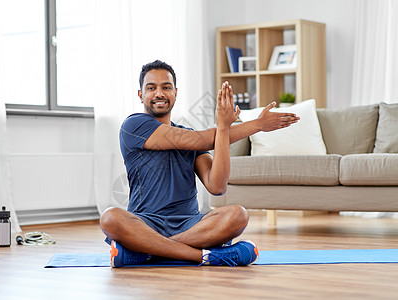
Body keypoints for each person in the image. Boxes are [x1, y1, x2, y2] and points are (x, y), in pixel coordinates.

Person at [100, 60, 299, 267]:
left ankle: (145, 252)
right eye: (151, 88)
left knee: (238, 215)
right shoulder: (133, 125)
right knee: (110, 218)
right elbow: (197, 140)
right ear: (141, 95)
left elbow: (217, 186)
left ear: (175, 92)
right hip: (145, 223)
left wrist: (223, 128)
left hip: (190, 225)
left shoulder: (190, 133)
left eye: (166, 87)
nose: (159, 93)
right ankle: (206, 256)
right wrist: (256, 125)